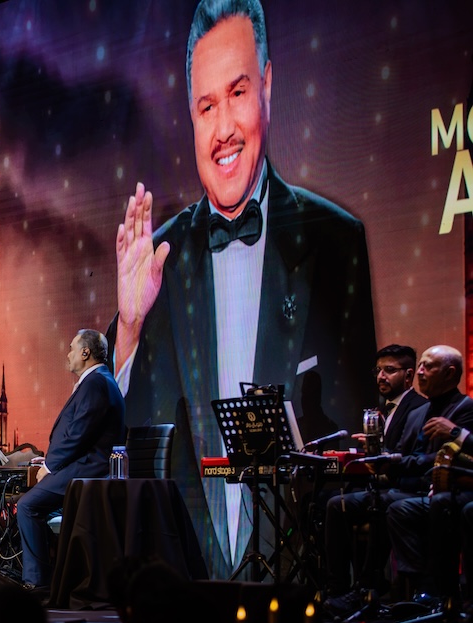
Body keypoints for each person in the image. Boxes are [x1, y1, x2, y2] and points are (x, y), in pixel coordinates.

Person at [107, 0, 377, 579]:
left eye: (238, 92)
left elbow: (353, 446)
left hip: (301, 581)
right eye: (207, 106)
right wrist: (129, 326)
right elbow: (129, 435)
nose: (224, 128)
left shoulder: (334, 240)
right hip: (186, 583)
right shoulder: (160, 258)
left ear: (268, 87)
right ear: (191, 116)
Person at [15, 329, 125, 593]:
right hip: (82, 466)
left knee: (27, 505)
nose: (68, 354)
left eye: (72, 348)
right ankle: (57, 575)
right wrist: (49, 459)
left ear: (85, 352)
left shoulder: (96, 382)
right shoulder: (98, 380)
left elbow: (79, 433)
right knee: (34, 504)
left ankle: (37, 581)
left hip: (89, 470)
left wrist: (50, 466)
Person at [319, 345, 426, 614]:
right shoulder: (384, 410)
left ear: (408, 375)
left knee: (371, 503)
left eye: (389, 370)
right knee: (330, 502)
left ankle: (366, 586)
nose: (381, 376)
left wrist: (378, 452)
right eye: (378, 370)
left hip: (407, 487)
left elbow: (410, 456)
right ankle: (336, 588)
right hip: (384, 483)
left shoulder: (420, 407)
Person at [383, 345, 473, 607]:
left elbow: (454, 456)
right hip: (427, 487)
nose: (420, 372)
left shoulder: (466, 408)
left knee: (437, 504)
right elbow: (403, 454)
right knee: (372, 503)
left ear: (450, 373)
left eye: (428, 366)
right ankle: (416, 588)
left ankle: (440, 591)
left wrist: (455, 433)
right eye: (420, 365)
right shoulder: (418, 412)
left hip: (453, 487)